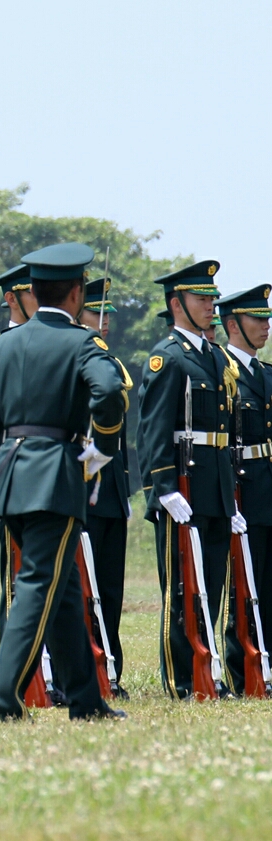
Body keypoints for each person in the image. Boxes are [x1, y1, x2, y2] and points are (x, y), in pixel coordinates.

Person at [0, 242, 126, 721]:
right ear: (77, 293)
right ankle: (3, 700)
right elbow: (111, 390)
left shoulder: (0, 345)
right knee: (39, 583)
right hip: (54, 475)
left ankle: (85, 700)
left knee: (64, 588)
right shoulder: (83, 343)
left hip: (9, 477)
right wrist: (102, 445)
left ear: (32, 293)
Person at [137, 261, 240, 699]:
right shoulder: (168, 357)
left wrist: (230, 496)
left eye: (212, 297)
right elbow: (153, 429)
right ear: (177, 303)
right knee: (182, 588)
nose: (210, 305)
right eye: (201, 298)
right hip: (183, 486)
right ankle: (182, 679)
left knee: (212, 584)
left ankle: (209, 671)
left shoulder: (215, 356)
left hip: (215, 488)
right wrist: (162, 489)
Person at [78, 277, 134, 698]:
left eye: (108, 314)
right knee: (85, 585)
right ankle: (87, 664)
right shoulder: (75, 359)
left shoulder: (110, 362)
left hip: (111, 489)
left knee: (110, 587)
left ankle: (110, 663)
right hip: (82, 488)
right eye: (97, 312)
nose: (105, 321)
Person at [216, 284, 272, 694]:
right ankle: (243, 672)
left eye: (268, 319)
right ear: (233, 324)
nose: (266, 327)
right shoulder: (222, 372)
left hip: (268, 491)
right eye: (258, 320)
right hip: (243, 492)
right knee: (243, 587)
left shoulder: (266, 374)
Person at [0, 264, 35, 638]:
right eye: (32, 291)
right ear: (12, 299)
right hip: (14, 476)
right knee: (17, 579)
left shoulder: (61, 342)